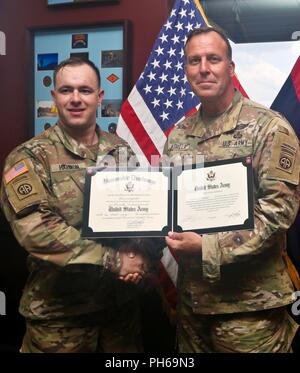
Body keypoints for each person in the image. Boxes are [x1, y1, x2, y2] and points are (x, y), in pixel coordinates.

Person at [0, 57, 160, 353]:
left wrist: (141, 257)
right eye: (66, 90)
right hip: (60, 318)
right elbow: (38, 232)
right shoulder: (29, 158)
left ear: (99, 97)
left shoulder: (121, 151)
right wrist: (116, 261)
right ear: (54, 97)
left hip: (119, 312)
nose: (75, 99)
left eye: (85, 90)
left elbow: (143, 214)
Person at [163, 27, 300, 353]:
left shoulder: (269, 128)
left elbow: (278, 212)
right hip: (193, 305)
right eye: (194, 61)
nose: (204, 68)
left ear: (230, 68)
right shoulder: (178, 136)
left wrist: (207, 247)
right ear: (186, 71)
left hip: (249, 310)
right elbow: (170, 206)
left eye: (214, 58)